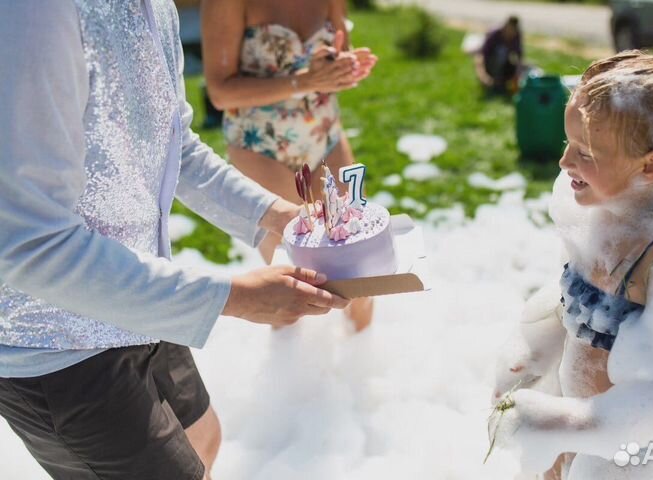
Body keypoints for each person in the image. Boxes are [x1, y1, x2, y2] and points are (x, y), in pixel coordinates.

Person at [0, 2, 349, 480]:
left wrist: (278, 215)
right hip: (54, 340)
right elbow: (28, 243)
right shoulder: (34, 13)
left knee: (203, 437)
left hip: (140, 296)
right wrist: (234, 297)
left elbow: (175, 147)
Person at [490, 52, 653, 479]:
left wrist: (560, 425)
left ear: (651, 165)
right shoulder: (600, 217)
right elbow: (571, 306)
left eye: (586, 152)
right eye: (567, 144)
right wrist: (532, 356)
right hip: (577, 435)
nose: (564, 163)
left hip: (633, 459)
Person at [202, 0, 378, 331]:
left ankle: (365, 370)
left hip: (324, 134)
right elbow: (221, 92)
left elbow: (339, 50)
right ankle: (291, 377)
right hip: (260, 145)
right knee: (293, 282)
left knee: (359, 270)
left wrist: (342, 67)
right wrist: (304, 81)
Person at [475, 16, 523, 95]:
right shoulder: (495, 34)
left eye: (513, 31)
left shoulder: (516, 36)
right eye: (509, 29)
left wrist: (518, 73)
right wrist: (483, 76)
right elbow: (480, 56)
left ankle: (503, 83)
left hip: (504, 65)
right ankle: (494, 83)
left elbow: (520, 58)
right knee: (501, 54)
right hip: (490, 64)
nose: (510, 33)